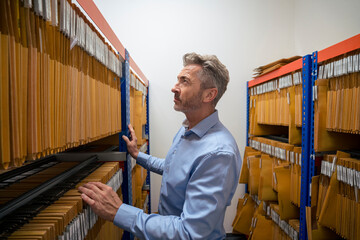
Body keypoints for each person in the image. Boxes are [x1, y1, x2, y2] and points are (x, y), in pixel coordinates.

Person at [79, 53, 242, 239]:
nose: (174, 87)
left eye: (185, 81)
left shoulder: (218, 154)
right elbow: (172, 169)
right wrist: (137, 155)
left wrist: (118, 212)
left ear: (209, 94)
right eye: (177, 80)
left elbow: (191, 234)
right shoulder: (187, 129)